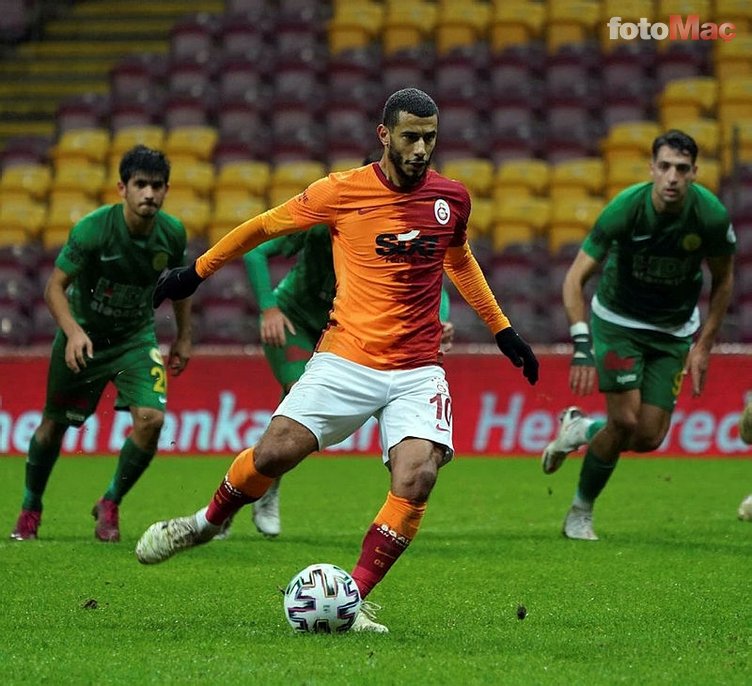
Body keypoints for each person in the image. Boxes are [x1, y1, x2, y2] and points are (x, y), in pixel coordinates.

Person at [135, 88, 539, 632]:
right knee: (275, 452)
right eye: (411, 137)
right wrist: (196, 272)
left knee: (417, 477)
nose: (421, 149)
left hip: (417, 369)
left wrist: (502, 329)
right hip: (346, 356)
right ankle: (206, 523)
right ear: (384, 135)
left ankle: (353, 600)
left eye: (430, 137)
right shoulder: (342, 191)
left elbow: (458, 258)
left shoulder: (452, 199)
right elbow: (264, 227)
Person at [541, 129, 736, 541]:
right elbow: (575, 279)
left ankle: (579, 429)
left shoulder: (711, 217)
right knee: (625, 420)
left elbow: (723, 280)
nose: (672, 177)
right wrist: (581, 343)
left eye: (682, 169)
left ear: (695, 173)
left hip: (673, 331)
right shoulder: (625, 210)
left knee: (648, 436)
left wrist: (704, 346)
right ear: (651, 169)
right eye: (664, 167)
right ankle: (580, 511)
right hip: (618, 322)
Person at [9, 145, 193, 543]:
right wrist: (74, 331)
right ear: (121, 189)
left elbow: (179, 286)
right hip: (86, 340)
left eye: (157, 186)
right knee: (52, 428)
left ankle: (110, 501)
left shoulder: (172, 233)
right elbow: (54, 287)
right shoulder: (93, 230)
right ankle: (30, 506)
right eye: (140, 185)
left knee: (152, 420)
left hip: (135, 338)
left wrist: (183, 336)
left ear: (166, 190)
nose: (149, 193)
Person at [232, 218, 455, 539]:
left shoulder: (392, 239)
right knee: (301, 396)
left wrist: (440, 321)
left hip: (344, 333)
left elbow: (433, 286)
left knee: (294, 422)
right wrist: (268, 308)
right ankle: (252, 491)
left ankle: (257, 485)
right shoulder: (322, 224)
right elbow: (255, 252)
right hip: (294, 321)